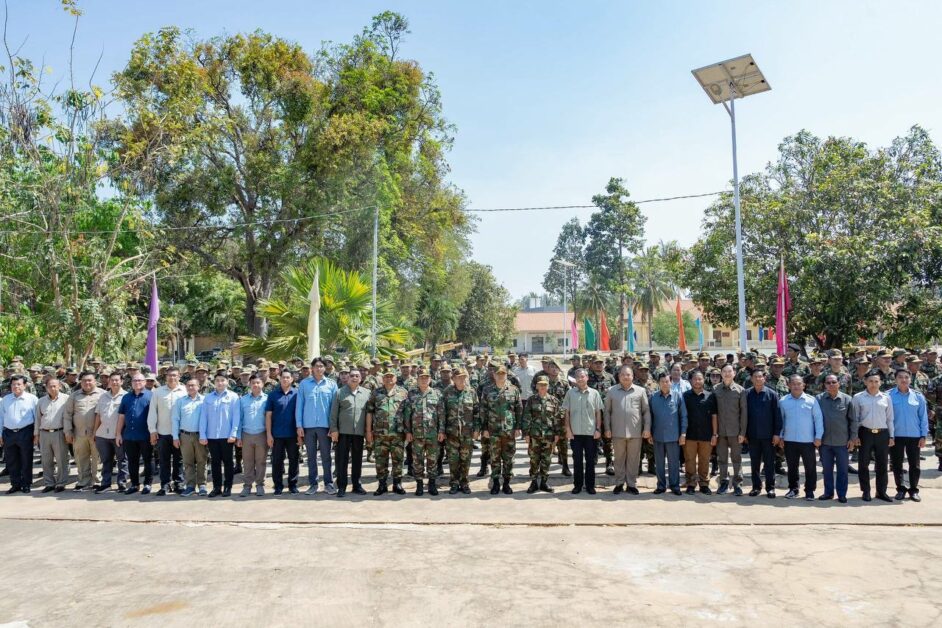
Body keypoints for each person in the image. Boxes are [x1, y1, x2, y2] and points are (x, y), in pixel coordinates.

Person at [603, 365, 650, 495]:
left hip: (635, 432)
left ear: (633, 376)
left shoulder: (640, 391)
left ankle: (631, 484)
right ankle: (619, 483)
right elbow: (607, 411)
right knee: (618, 459)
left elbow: (646, 411)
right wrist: (607, 428)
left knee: (633, 460)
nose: (625, 377)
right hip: (617, 431)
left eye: (628, 374)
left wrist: (647, 428)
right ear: (619, 376)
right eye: (623, 374)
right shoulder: (611, 391)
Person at [296, 357, 338, 496]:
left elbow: (334, 408)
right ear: (312, 368)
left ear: (325, 368)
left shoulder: (331, 384)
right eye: (316, 366)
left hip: (325, 426)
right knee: (311, 457)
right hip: (308, 427)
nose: (319, 368)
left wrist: (333, 426)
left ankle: (328, 484)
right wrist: (299, 425)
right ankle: (313, 484)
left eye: (321, 366)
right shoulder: (304, 384)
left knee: (326, 456)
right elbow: (299, 405)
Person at [851, 369, 895, 502]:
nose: (873, 384)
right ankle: (866, 491)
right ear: (865, 382)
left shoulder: (886, 397)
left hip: (882, 433)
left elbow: (890, 419)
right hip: (865, 433)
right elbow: (855, 418)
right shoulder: (858, 397)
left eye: (876, 381)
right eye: (870, 381)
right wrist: (855, 436)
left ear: (880, 383)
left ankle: (881, 492)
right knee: (863, 464)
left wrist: (891, 436)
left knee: (882, 464)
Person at [478, 366, 522, 495]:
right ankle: (496, 482)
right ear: (494, 375)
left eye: (503, 374)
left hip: (509, 430)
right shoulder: (487, 390)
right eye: (498, 374)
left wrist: (518, 427)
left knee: (509, 458)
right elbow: (483, 410)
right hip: (493, 430)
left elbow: (519, 409)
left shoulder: (514, 390)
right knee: (494, 458)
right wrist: (484, 428)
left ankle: (507, 483)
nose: (501, 376)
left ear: (506, 375)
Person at [778, 375, 824, 500]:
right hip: (789, 440)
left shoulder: (812, 400)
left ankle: (810, 491)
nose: (796, 386)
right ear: (789, 385)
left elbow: (818, 419)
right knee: (792, 467)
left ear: (804, 385)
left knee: (810, 467)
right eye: (793, 384)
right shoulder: (783, 401)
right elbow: (781, 420)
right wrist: (781, 436)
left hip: (807, 440)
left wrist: (818, 436)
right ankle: (793, 489)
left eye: (799, 384)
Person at [365, 369, 409, 496]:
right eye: (386, 377)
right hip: (380, 434)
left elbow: (407, 413)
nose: (389, 379)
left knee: (398, 460)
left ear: (395, 378)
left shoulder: (403, 392)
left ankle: (397, 484)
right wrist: (368, 431)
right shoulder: (376, 393)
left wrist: (408, 431)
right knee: (380, 460)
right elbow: (369, 412)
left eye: (391, 376)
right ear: (382, 379)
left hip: (398, 433)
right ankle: (382, 485)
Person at [888, 370, 928, 502]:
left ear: (910, 380)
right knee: (897, 464)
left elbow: (923, 417)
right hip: (896, 435)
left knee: (914, 465)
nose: (903, 380)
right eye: (900, 377)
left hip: (914, 435)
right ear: (895, 380)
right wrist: (889, 436)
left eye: (906, 377)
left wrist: (923, 436)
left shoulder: (918, 396)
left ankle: (913, 490)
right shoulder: (888, 395)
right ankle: (900, 489)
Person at [816, 373, 857, 503]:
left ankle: (842, 494)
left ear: (839, 383)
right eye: (828, 383)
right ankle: (828, 493)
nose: (831, 385)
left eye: (834, 382)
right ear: (825, 385)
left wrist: (852, 439)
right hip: (825, 442)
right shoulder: (819, 399)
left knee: (843, 470)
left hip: (842, 442)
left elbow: (853, 421)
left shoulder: (847, 399)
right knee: (827, 470)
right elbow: (814, 419)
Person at [146, 366, 186, 496]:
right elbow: (153, 411)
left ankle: (179, 483)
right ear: (165, 377)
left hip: (180, 433)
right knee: (164, 460)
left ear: (179, 376)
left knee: (179, 460)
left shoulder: (185, 391)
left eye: (174, 375)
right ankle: (165, 484)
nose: (172, 377)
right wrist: (152, 430)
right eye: (169, 375)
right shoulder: (158, 392)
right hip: (163, 432)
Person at [329, 369, 369, 497]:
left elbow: (370, 413)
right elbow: (333, 413)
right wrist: (334, 429)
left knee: (357, 460)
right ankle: (341, 486)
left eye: (357, 376)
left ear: (361, 379)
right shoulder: (339, 392)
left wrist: (369, 431)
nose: (354, 378)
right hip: (343, 432)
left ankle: (356, 485)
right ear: (348, 378)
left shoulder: (367, 393)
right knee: (342, 460)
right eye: (352, 376)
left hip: (359, 432)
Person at [198, 374, 240, 498]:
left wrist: (233, 434)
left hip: (226, 436)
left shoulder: (233, 397)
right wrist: (202, 434)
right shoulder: (208, 398)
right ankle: (216, 487)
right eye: (217, 380)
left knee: (228, 462)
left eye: (222, 380)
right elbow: (203, 417)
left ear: (227, 382)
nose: (220, 383)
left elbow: (236, 417)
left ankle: (228, 486)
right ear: (214, 382)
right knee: (215, 463)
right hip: (212, 436)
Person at [563, 369, 603, 495]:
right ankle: (578, 485)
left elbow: (598, 413)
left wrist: (598, 429)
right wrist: (568, 430)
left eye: (582, 376)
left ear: (587, 378)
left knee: (590, 461)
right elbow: (567, 413)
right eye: (578, 377)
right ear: (575, 379)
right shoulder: (570, 393)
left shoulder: (594, 393)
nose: (580, 379)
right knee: (577, 461)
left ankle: (590, 486)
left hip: (591, 433)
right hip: (575, 433)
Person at [63, 371, 105, 491]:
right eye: (84, 381)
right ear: (80, 382)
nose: (87, 383)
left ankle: (97, 481)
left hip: (98, 433)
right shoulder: (74, 396)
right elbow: (67, 414)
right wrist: (68, 431)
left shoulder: (103, 394)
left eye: (89, 380)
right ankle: (83, 481)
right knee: (81, 458)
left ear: (95, 381)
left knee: (98, 458)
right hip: (79, 433)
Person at [438, 368, 478, 495]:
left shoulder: (471, 392)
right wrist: (442, 430)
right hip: (451, 433)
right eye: (459, 377)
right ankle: (454, 483)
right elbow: (442, 413)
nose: (462, 379)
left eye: (463, 377)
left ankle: (464, 483)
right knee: (453, 460)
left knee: (466, 460)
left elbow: (477, 412)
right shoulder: (447, 392)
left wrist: (477, 429)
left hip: (467, 432)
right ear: (453, 379)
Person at [403, 372, 442, 496]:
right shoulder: (412, 394)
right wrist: (408, 431)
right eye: (421, 378)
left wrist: (441, 431)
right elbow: (407, 414)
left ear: (430, 379)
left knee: (432, 460)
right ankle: (419, 484)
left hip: (433, 433)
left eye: (426, 378)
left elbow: (441, 414)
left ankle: (432, 484)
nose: (424, 380)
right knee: (417, 460)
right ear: (417, 380)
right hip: (417, 434)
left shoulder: (437, 394)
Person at [522, 376, 564, 493]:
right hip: (534, 435)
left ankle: (544, 482)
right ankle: (534, 482)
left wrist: (557, 433)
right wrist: (526, 434)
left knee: (547, 459)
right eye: (540, 384)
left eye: (545, 385)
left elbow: (557, 418)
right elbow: (526, 417)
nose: (542, 387)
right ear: (536, 386)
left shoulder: (554, 401)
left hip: (549, 436)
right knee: (534, 459)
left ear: (548, 386)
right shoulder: (531, 400)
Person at [649, 372, 688, 496]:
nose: (665, 384)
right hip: (658, 436)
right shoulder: (653, 397)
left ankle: (675, 486)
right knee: (659, 463)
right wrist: (649, 433)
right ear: (658, 383)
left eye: (667, 381)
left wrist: (683, 433)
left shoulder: (678, 396)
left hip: (673, 436)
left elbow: (683, 416)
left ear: (671, 382)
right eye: (662, 382)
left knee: (674, 463)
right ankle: (661, 486)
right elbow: (649, 417)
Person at [745, 369, 782, 498]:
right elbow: (743, 415)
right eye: (755, 377)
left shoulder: (772, 394)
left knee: (769, 463)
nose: (758, 379)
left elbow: (777, 415)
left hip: (768, 436)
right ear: (751, 379)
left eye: (760, 376)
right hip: (752, 435)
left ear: (764, 378)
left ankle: (770, 488)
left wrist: (777, 434)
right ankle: (756, 487)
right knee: (754, 463)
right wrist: (744, 433)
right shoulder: (747, 394)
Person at [115, 374, 153, 495]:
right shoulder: (126, 397)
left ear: (145, 382)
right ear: (131, 382)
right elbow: (121, 416)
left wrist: (154, 433)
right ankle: (134, 484)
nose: (137, 382)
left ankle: (147, 483)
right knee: (132, 461)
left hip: (146, 435)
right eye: (135, 380)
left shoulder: (151, 396)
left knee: (148, 460)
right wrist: (118, 434)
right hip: (129, 436)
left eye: (140, 380)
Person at [267, 369, 301, 496]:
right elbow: (268, 415)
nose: (285, 379)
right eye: (283, 377)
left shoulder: (297, 394)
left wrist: (300, 434)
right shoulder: (273, 395)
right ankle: (278, 486)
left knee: (294, 460)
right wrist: (269, 434)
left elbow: (300, 414)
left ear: (292, 379)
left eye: (288, 377)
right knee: (277, 461)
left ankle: (293, 485)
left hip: (293, 434)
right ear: (279, 379)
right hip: (277, 434)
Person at [94, 372, 129, 494]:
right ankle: (105, 484)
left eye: (117, 380)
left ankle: (122, 483)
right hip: (102, 434)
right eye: (112, 380)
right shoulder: (103, 396)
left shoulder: (126, 396)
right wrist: (95, 432)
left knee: (122, 460)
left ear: (122, 381)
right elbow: (98, 415)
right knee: (106, 460)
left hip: (119, 434)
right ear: (109, 382)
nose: (114, 382)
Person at [682, 371, 716, 495]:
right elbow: (682, 415)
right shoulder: (685, 396)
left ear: (704, 380)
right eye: (695, 379)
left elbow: (714, 416)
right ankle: (691, 484)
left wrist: (715, 434)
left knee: (704, 460)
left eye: (700, 379)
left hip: (706, 434)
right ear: (691, 381)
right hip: (689, 434)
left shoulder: (710, 396)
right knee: (689, 460)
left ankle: (704, 484)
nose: (697, 381)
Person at [171, 378, 206, 497]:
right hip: (185, 436)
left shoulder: (204, 401)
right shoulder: (180, 401)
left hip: (200, 435)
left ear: (198, 387)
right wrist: (175, 437)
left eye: (193, 385)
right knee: (187, 462)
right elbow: (175, 419)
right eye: (188, 385)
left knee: (202, 461)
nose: (190, 387)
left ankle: (202, 485)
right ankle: (190, 486)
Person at [36, 378, 69, 493]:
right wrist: (36, 434)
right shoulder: (41, 401)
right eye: (50, 386)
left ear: (60, 386)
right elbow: (38, 419)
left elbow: (69, 417)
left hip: (59, 432)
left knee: (61, 460)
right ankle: (49, 483)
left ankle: (61, 483)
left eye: (55, 386)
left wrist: (68, 432)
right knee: (46, 460)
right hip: (44, 433)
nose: (52, 388)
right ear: (46, 388)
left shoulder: (66, 399)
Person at [238, 374, 269, 497]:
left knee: (261, 461)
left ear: (262, 384)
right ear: (249, 385)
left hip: (262, 434)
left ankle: (260, 485)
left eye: (258, 383)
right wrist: (238, 436)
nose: (256, 385)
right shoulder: (243, 400)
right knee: (247, 462)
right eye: (253, 383)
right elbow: (240, 419)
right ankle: (247, 486)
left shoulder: (267, 399)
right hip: (246, 434)